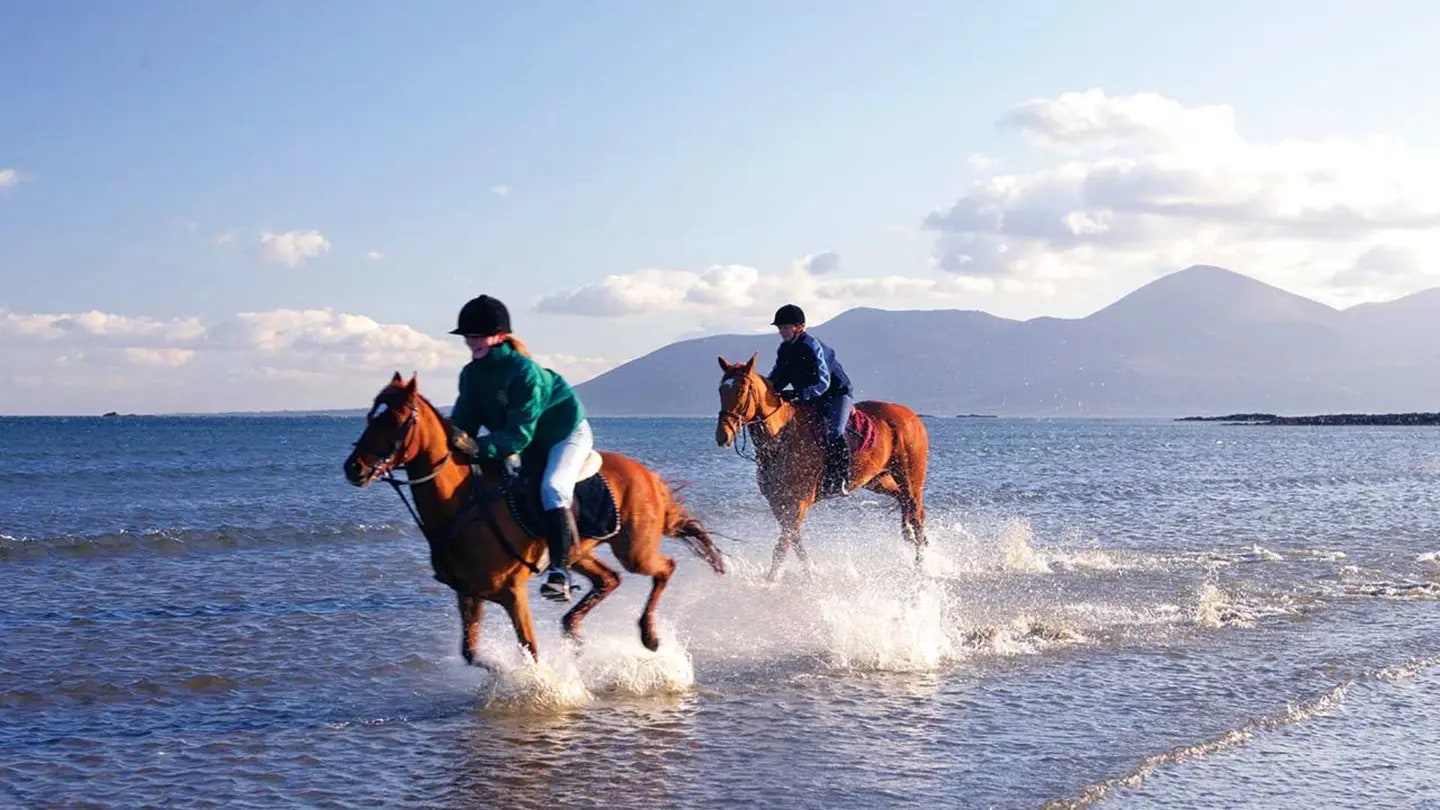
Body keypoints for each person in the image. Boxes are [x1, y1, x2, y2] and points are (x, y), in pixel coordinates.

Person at [446, 294, 591, 603]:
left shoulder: (525, 373)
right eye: (468, 337)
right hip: (523, 439)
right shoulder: (471, 374)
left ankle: (560, 573)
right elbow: (465, 419)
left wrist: (476, 446)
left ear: (499, 336)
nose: (472, 342)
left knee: (553, 488)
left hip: (563, 434)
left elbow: (518, 436)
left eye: (478, 336)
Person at [766, 303, 854, 498]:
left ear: (799, 327)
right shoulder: (784, 349)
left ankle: (840, 479)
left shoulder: (812, 346)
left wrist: (799, 394)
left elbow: (823, 382)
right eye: (780, 328)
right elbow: (776, 378)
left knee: (835, 432)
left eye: (786, 327)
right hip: (810, 398)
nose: (782, 331)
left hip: (837, 395)